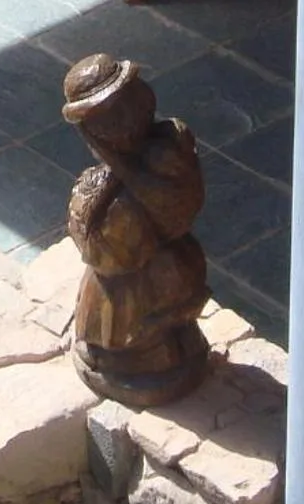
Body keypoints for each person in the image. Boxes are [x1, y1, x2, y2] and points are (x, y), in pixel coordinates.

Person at [63, 52, 211, 406]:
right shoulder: (102, 194)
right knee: (136, 338)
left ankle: (163, 344)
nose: (125, 124)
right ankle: (138, 353)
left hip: (157, 275)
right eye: (107, 120)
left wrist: (121, 170)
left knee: (162, 324)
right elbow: (104, 255)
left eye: (126, 108)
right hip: (126, 295)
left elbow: (178, 207)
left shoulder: (170, 146)